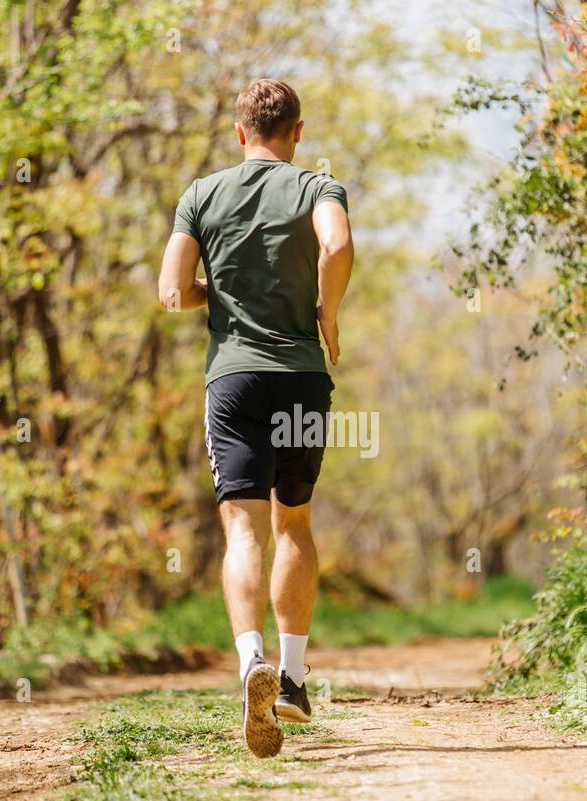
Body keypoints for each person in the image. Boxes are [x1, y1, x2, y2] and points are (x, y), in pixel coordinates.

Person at [157, 78, 354, 758]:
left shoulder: (201, 195)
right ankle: (294, 679)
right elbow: (337, 247)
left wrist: (223, 300)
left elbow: (170, 290)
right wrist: (326, 316)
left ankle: (250, 666)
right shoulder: (318, 187)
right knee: (292, 521)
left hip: (234, 381)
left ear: (240, 133)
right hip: (301, 377)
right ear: (298, 133)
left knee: (242, 529)